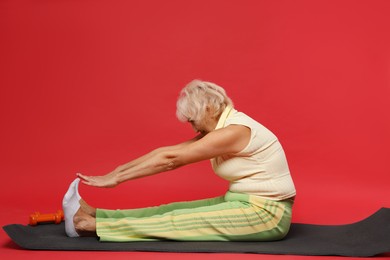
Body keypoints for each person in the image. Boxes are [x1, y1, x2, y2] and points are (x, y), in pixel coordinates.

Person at [62, 79, 296, 241]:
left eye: (193, 119)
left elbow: (171, 160)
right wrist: (114, 173)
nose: (192, 126)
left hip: (267, 215)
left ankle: (91, 227)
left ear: (209, 109)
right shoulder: (222, 129)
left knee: (177, 221)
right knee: (170, 210)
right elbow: (164, 151)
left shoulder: (234, 131)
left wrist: (116, 179)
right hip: (242, 202)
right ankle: (97, 214)